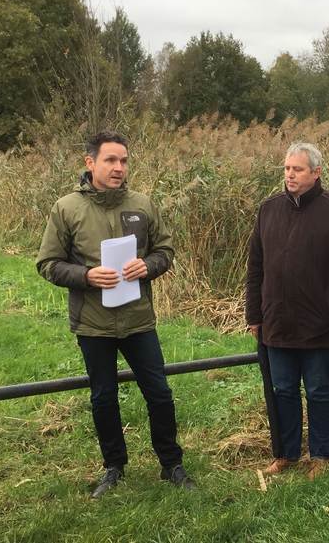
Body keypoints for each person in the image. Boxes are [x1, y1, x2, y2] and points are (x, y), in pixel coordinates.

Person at [37, 131, 195, 498]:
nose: (119, 167)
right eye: (111, 160)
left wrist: (149, 266)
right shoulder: (66, 208)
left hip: (138, 319)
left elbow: (165, 249)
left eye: (124, 160)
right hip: (93, 324)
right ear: (90, 163)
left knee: (159, 393)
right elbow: (47, 263)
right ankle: (114, 468)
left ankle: (171, 464)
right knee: (103, 397)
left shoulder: (142, 203)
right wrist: (86, 275)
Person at [245, 142, 329, 480]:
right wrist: (255, 314)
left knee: (317, 389)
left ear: (316, 173)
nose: (290, 175)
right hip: (277, 321)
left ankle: (321, 455)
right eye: (286, 168)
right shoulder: (268, 209)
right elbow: (255, 266)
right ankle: (287, 453)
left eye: (297, 169)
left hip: (318, 325)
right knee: (282, 389)